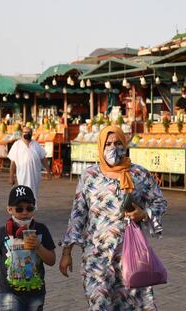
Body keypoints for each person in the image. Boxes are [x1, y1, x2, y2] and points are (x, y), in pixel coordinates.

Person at [59, 125, 167, 310]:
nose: (113, 147)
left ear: (125, 144)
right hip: (96, 257)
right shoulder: (89, 176)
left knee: (134, 305)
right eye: (108, 144)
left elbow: (160, 202)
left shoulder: (139, 174)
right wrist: (67, 252)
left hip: (130, 255)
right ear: (101, 147)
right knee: (99, 304)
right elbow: (78, 215)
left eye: (117, 143)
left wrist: (144, 214)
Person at [0, 185, 56, 311]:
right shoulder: (2, 233)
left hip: (36, 293)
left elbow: (52, 260)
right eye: (19, 209)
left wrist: (38, 247)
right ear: (10, 210)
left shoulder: (41, 230)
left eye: (29, 208)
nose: (24, 212)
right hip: (9, 292)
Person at [8, 127, 52, 201]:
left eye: (29, 132)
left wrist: (48, 172)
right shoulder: (17, 145)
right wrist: (11, 177)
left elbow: (43, 158)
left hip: (35, 176)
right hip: (22, 176)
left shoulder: (36, 145)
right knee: (23, 195)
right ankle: (26, 210)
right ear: (22, 133)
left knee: (33, 195)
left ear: (31, 134)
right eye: (25, 132)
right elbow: (13, 163)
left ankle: (32, 209)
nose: (27, 134)